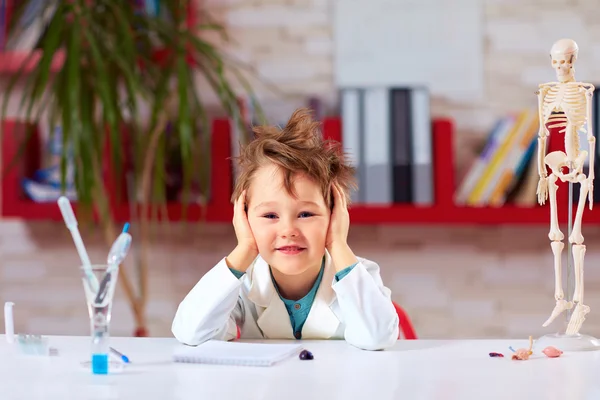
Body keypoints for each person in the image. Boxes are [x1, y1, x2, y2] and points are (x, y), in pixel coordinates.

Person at [171, 108, 399, 350]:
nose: (288, 230)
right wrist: (245, 247)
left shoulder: (359, 274)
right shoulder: (243, 282)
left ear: (334, 216)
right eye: (270, 215)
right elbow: (190, 331)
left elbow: (378, 337)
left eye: (305, 214)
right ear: (244, 218)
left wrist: (338, 244)